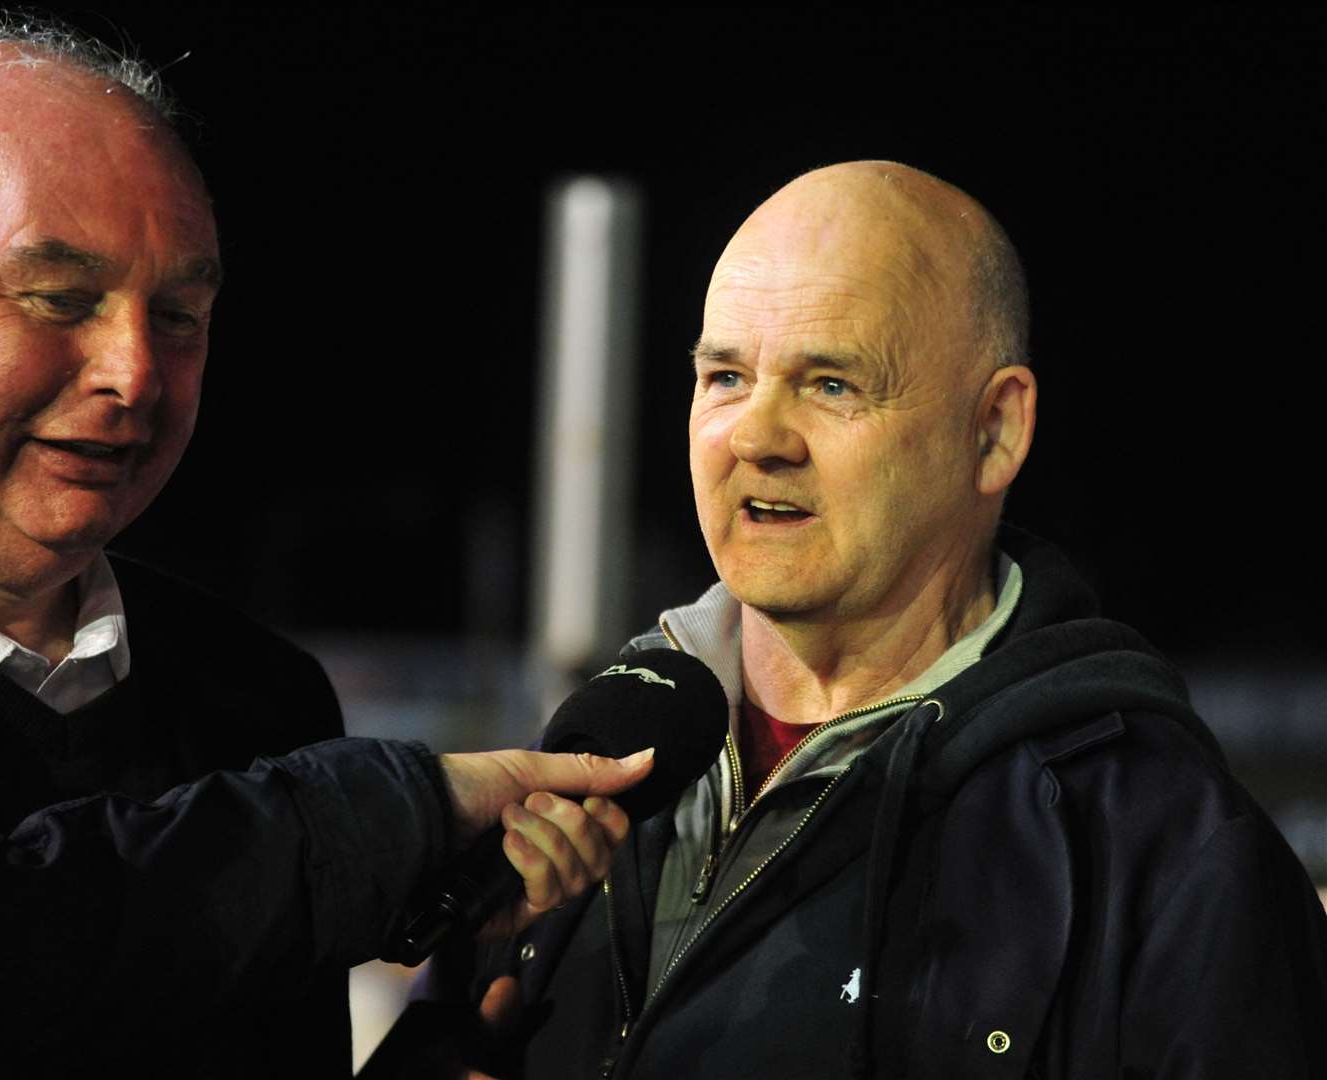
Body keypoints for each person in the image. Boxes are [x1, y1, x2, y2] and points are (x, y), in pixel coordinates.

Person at [0, 19, 647, 1078]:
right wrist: (374, 820)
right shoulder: (311, 787)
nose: (133, 372)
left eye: (179, 314)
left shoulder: (258, 701)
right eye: (59, 299)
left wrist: (449, 1037)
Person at [418, 162, 1327, 1078]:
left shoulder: (1163, 850)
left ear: (995, 430)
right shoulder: (593, 763)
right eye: (725, 375)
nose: (757, 436)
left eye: (832, 385)